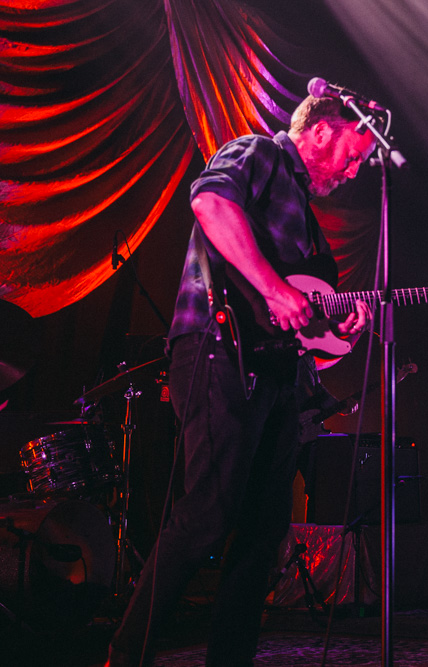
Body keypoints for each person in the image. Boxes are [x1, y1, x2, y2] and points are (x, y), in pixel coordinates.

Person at [107, 91, 376, 667]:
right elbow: (209, 201)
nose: (354, 172)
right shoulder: (256, 153)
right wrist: (274, 289)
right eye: (352, 156)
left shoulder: (306, 217)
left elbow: (311, 327)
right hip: (217, 349)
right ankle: (124, 654)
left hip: (277, 373)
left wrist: (345, 327)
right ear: (324, 129)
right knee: (209, 511)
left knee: (264, 528)